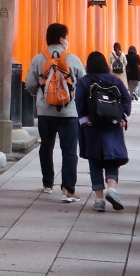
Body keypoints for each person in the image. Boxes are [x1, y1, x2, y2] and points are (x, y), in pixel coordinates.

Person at [25, 22, 85, 203]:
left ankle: (47, 183)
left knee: (46, 146)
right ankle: (68, 189)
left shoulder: (38, 59)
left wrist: (41, 95)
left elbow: (29, 83)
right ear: (61, 39)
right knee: (69, 151)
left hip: (45, 112)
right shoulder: (72, 59)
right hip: (69, 112)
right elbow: (83, 83)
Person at [75, 51, 132, 211]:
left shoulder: (85, 82)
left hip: (93, 127)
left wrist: (86, 120)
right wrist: (123, 117)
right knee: (112, 158)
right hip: (112, 126)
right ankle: (112, 189)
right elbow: (126, 98)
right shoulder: (115, 80)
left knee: (95, 161)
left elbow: (79, 102)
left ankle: (99, 200)